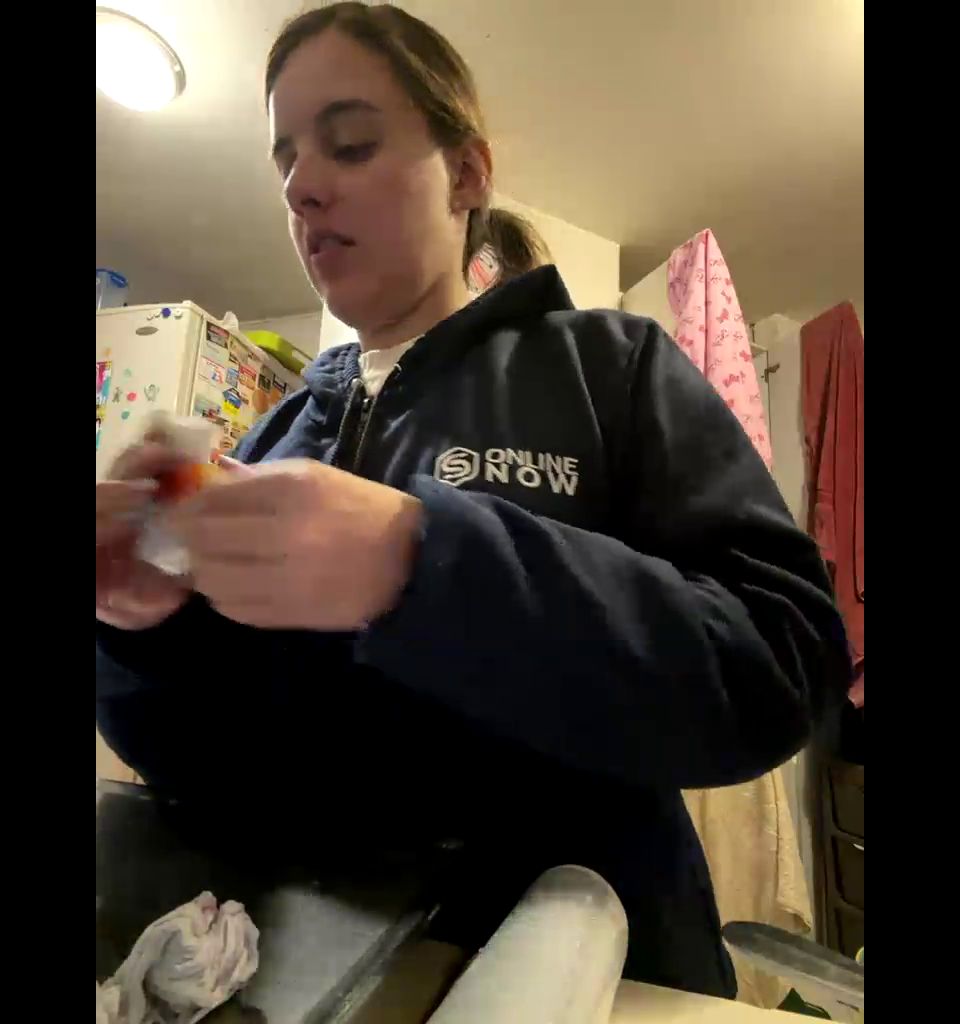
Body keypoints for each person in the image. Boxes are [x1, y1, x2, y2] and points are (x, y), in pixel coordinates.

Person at [96, 3, 851, 997]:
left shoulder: (609, 368)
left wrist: (421, 561)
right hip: (314, 984)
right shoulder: (272, 442)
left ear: (466, 174)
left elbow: (780, 665)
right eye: (285, 160)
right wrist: (138, 632)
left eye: (350, 143)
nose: (302, 186)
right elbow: (205, 771)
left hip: (591, 984)